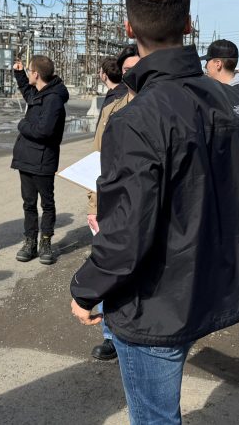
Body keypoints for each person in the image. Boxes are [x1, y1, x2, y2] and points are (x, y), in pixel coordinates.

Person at [69, 0, 239, 425]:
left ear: (129, 28)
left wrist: (86, 289)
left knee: (154, 417)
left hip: (156, 300)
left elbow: (125, 232)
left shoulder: (137, 118)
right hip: (212, 280)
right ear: (189, 24)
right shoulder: (232, 103)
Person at [88, 45, 139, 362]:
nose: (133, 73)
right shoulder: (114, 107)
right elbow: (97, 158)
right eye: (128, 68)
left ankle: (141, 333)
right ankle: (111, 335)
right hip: (111, 205)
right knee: (110, 267)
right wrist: (93, 203)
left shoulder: (167, 107)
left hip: (146, 205)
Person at [11, 54, 69, 265]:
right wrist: (18, 73)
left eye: (28, 70)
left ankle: (45, 242)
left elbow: (44, 131)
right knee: (28, 204)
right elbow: (28, 94)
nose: (28, 73)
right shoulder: (41, 92)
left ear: (35, 73)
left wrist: (22, 125)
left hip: (43, 160)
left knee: (46, 203)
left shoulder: (53, 98)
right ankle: (30, 242)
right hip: (26, 158)